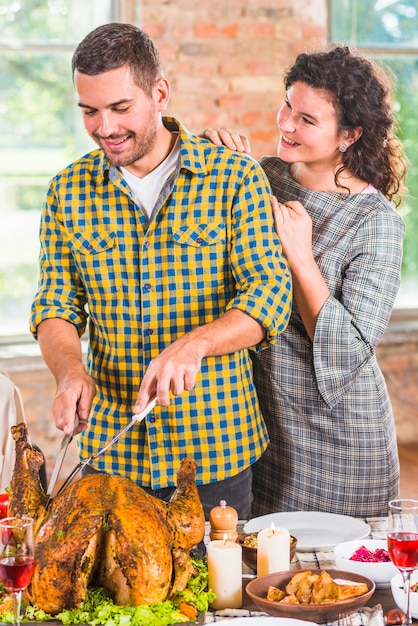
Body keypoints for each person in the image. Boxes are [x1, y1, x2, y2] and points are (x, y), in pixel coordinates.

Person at [29, 22, 292, 520]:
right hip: (111, 453)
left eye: (120, 108)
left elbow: (270, 295)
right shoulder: (67, 192)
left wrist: (196, 343)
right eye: (89, 111)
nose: (104, 127)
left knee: (215, 596)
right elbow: (55, 305)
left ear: (160, 93)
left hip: (214, 450)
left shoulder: (233, 178)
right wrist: (68, 373)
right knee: (113, 595)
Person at [203, 46, 408, 517]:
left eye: (307, 120)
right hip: (263, 426)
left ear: (349, 135)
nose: (286, 125)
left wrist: (300, 256)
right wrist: (210, 156)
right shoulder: (264, 177)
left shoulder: (376, 221)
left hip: (339, 438)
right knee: (267, 574)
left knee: (338, 583)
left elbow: (347, 352)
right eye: (287, 107)